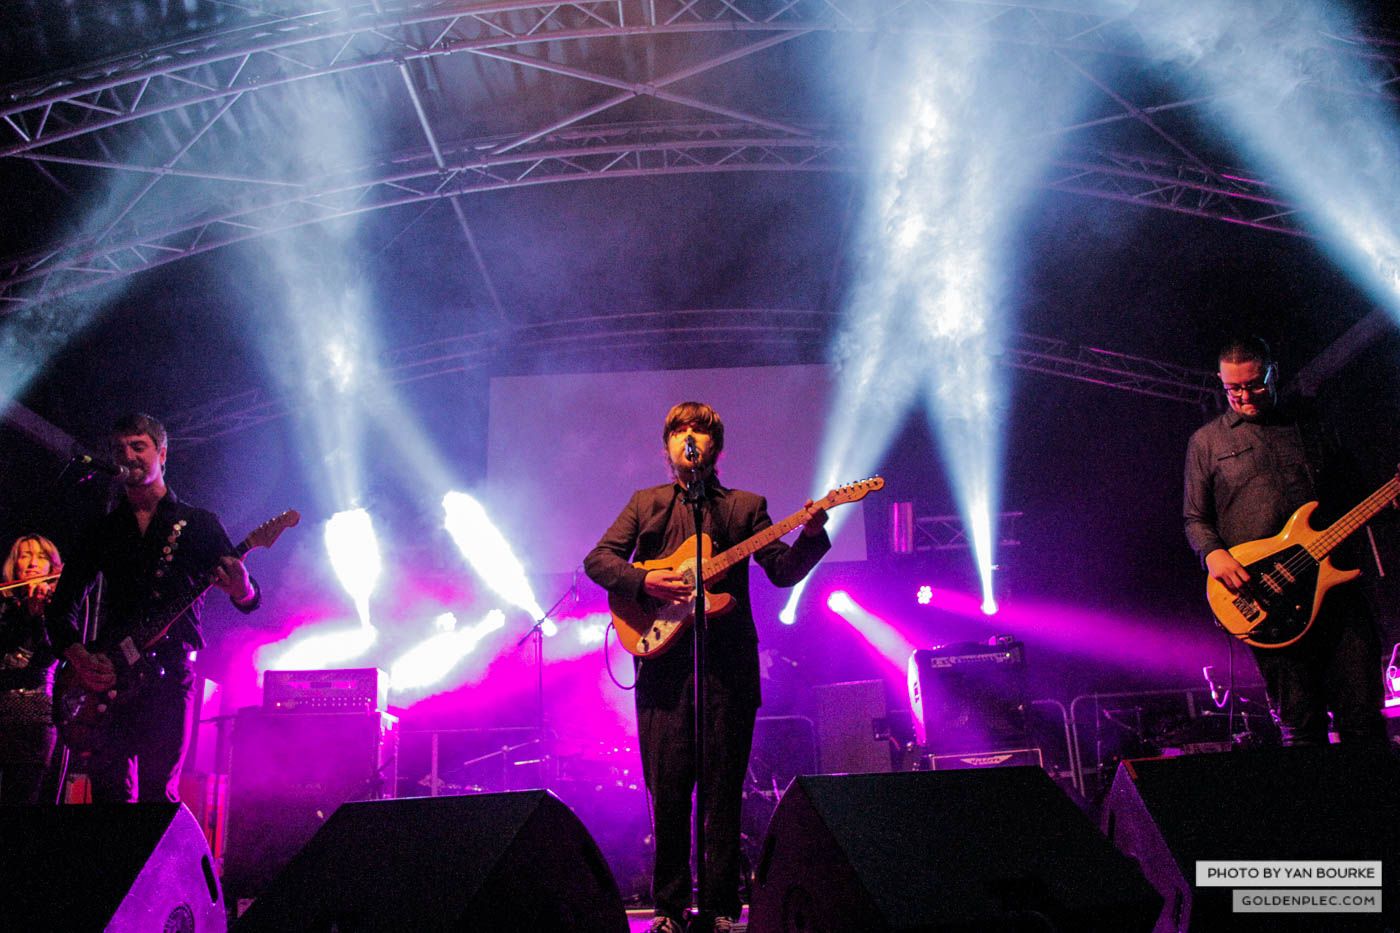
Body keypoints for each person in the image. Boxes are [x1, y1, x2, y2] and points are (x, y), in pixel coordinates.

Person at [584, 402, 830, 933]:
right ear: (666, 445)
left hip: (727, 673)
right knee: (667, 795)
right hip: (663, 676)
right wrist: (643, 582)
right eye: (679, 430)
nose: (688, 437)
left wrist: (810, 536)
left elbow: (783, 571)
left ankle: (721, 908)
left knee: (722, 794)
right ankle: (669, 910)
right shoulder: (645, 504)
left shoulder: (745, 507)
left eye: (699, 430)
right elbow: (598, 560)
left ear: (715, 447)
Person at [45, 413, 261, 802]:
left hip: (168, 676)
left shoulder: (197, 523)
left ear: (163, 453)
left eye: (138, 446)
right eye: (121, 448)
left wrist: (242, 589)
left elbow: (248, 598)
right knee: (108, 796)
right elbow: (62, 605)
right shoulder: (104, 529)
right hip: (110, 674)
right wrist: (78, 656)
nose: (128, 455)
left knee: (157, 795)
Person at [1183, 336, 1387, 748]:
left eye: (1253, 384)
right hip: (1266, 599)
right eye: (1232, 389)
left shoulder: (1313, 424)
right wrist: (1214, 555)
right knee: (1300, 725)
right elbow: (1194, 518)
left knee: (1363, 717)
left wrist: (1387, 495)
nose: (1243, 396)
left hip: (1335, 591)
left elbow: (1353, 491)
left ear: (1272, 372)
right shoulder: (1207, 442)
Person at [0, 535, 63, 804]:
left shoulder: (59, 605)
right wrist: (19, 611)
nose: (32, 563)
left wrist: (38, 617)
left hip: (33, 716)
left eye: (41, 557)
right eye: (25, 555)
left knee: (21, 802)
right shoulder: (5, 604)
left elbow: (48, 658)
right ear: (15, 564)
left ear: (52, 566)